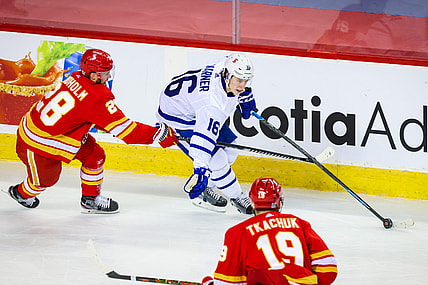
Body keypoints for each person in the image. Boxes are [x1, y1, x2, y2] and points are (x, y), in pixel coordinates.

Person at [8, 48, 178, 214]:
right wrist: (158, 133)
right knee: (45, 181)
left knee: (94, 155)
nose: (109, 76)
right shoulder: (96, 97)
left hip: (55, 133)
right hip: (36, 142)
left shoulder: (76, 77)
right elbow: (127, 132)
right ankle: (20, 193)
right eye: (106, 73)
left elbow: (90, 115)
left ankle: (90, 200)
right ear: (94, 75)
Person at [156, 53, 257, 214]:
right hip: (178, 119)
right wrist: (200, 169)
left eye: (246, 81)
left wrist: (244, 93)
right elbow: (203, 140)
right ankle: (237, 197)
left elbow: (228, 57)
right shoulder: (212, 105)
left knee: (231, 149)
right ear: (227, 76)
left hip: (192, 107)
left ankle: (208, 186)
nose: (243, 85)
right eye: (239, 81)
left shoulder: (223, 67)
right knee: (216, 161)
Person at [203, 178, 338, 285]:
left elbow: (227, 282)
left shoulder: (237, 232)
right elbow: (328, 267)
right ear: (279, 202)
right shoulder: (300, 224)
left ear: (251, 202)